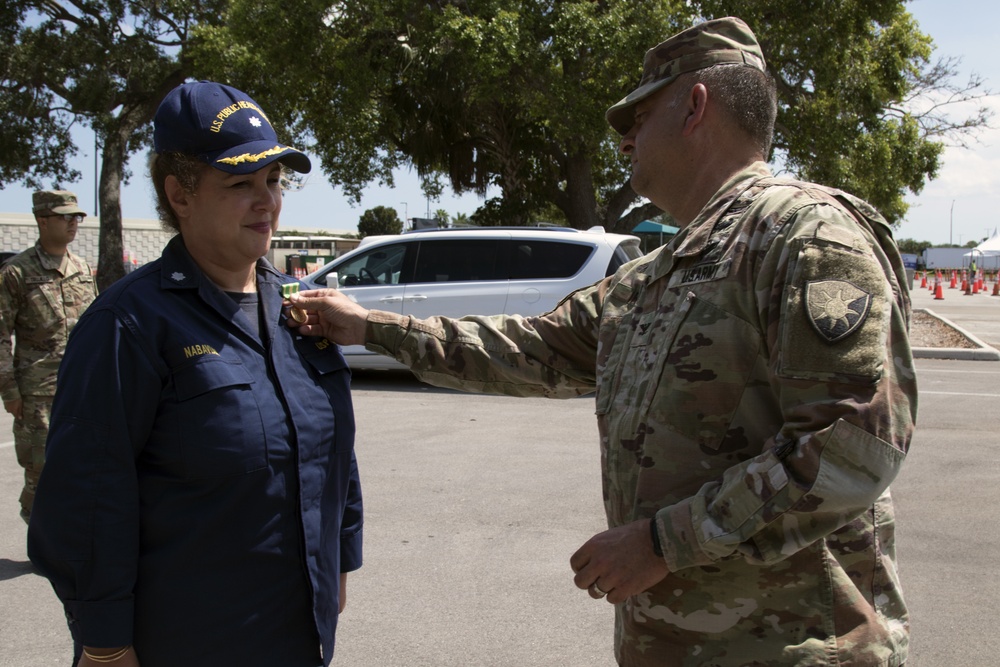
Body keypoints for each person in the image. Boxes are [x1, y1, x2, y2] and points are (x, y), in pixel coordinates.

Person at [287, 17, 916, 667]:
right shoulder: (652, 279)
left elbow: (853, 445)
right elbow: (525, 347)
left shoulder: (805, 237)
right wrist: (369, 326)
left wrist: (662, 543)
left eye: (637, 117)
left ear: (695, 106)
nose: (622, 140)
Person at [27, 81, 363, 667]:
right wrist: (105, 644)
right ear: (179, 194)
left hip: (296, 630)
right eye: (240, 184)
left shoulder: (298, 309)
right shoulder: (128, 324)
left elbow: (332, 450)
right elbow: (86, 497)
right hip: (189, 638)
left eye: (274, 181)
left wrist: (337, 559)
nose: (267, 202)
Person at [0, 190, 98, 525]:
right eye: (65, 216)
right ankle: (37, 523)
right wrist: (9, 390)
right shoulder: (16, 272)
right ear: (42, 220)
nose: (73, 223)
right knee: (41, 468)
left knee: (80, 463)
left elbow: (94, 329)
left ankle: (67, 536)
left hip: (81, 388)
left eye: (77, 217)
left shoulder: (83, 269)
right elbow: (0, 335)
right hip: (37, 390)